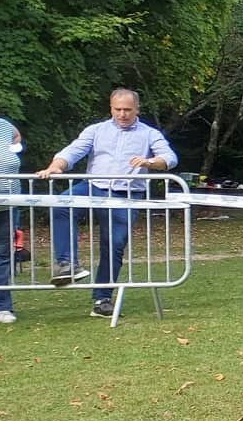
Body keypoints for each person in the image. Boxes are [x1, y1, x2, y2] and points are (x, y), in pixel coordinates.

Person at [36, 88, 178, 318]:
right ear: (110, 108)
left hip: (126, 193)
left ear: (137, 109)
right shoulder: (96, 130)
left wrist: (151, 162)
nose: (122, 114)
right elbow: (73, 151)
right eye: (117, 109)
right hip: (93, 186)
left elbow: (170, 157)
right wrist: (56, 166)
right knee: (61, 203)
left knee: (113, 245)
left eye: (127, 110)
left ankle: (102, 300)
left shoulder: (149, 134)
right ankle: (66, 264)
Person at [0, 112, 20, 325]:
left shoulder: (3, 125)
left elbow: (16, 137)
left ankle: (2, 306)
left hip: (6, 204)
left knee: (3, 256)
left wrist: (12, 152)